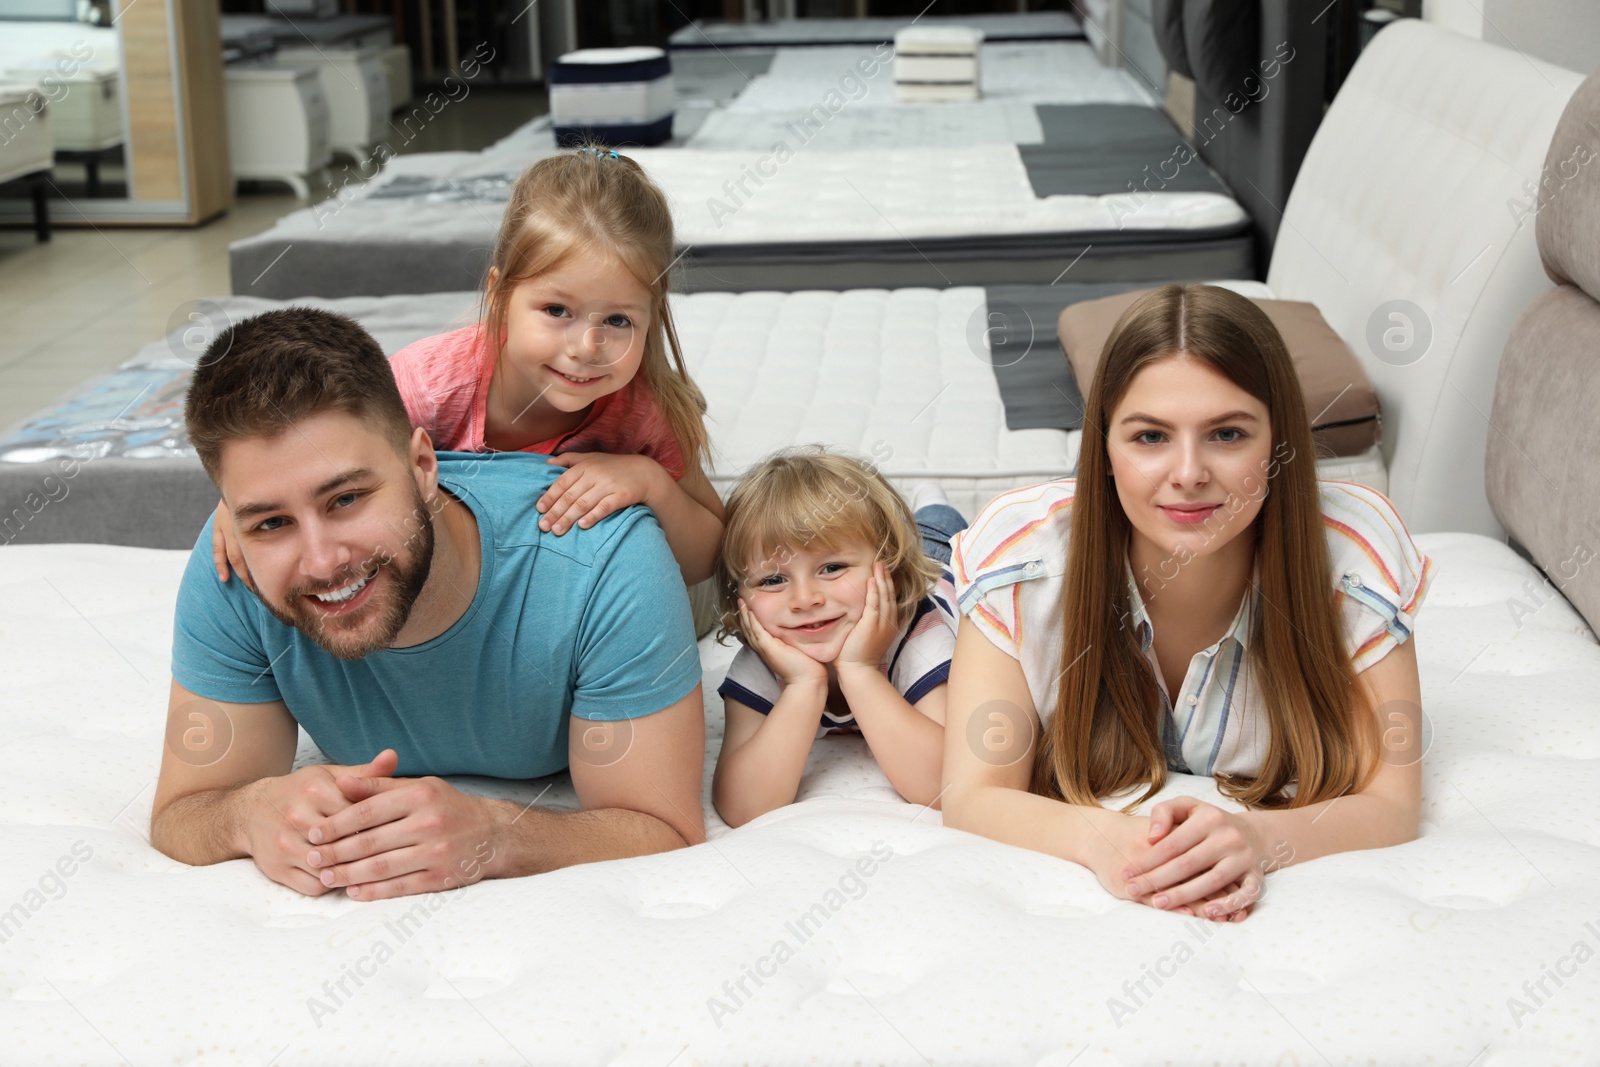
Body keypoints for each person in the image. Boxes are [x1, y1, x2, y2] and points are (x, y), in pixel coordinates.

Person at [150, 307, 706, 901]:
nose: (320, 561)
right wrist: (248, 812)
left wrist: (497, 834)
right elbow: (181, 813)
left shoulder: (609, 561)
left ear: (422, 466)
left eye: (346, 499)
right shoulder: (235, 570)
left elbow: (663, 826)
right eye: (271, 522)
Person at [941, 284, 1433, 922]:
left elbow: (1392, 803)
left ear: (1279, 441)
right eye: (1150, 437)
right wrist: (1109, 843)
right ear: (1105, 450)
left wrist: (1255, 838)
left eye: (1227, 434)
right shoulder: (1022, 560)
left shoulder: (1358, 558)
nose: (1189, 473)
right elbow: (972, 795)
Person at [212, 145, 724, 590]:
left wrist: (651, 482)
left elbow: (709, 558)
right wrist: (246, 507)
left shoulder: (642, 412)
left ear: (653, 317)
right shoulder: (429, 385)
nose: (588, 347)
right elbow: (321, 449)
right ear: (500, 294)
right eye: (557, 311)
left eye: (617, 320)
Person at [712, 447, 965, 826]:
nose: (804, 599)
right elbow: (743, 807)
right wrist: (802, 685)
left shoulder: (920, 635)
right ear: (741, 598)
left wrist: (860, 669)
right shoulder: (765, 657)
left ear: (890, 569)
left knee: (941, 528)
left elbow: (946, 786)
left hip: (937, 569)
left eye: (831, 568)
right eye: (772, 579)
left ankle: (932, 500)